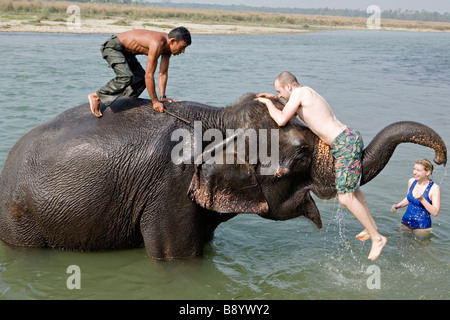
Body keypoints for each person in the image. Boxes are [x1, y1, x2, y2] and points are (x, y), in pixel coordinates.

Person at [255, 71, 387, 260]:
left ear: (289, 86)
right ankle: (370, 228)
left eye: (280, 91)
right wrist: (274, 98)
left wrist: (268, 103)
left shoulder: (299, 94)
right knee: (354, 191)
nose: (279, 95)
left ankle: (377, 238)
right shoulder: (306, 93)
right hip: (348, 138)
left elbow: (282, 119)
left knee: (345, 198)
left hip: (344, 144)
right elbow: (293, 108)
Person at [88, 27, 191, 117]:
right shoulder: (157, 43)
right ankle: (96, 96)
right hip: (114, 47)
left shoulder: (168, 49)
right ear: (172, 41)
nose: (183, 51)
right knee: (126, 77)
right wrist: (155, 102)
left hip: (127, 53)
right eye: (182, 47)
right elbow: (149, 75)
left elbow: (163, 73)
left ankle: (122, 101)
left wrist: (162, 97)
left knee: (140, 79)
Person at [391, 159, 441, 236]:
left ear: (427, 172)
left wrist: (422, 199)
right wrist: (397, 206)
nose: (414, 172)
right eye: (414, 169)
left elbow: (435, 212)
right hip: (405, 222)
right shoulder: (411, 181)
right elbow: (408, 199)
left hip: (422, 228)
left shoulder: (434, 188)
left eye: (418, 170)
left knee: (419, 248)